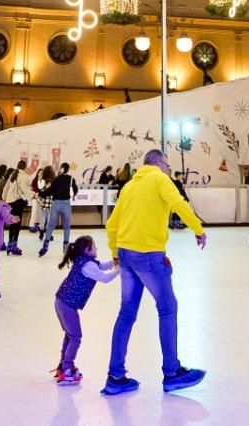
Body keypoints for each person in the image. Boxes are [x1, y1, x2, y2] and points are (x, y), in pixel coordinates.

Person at [100, 148, 207, 397]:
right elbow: (178, 202)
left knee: (126, 313)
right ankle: (172, 372)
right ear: (158, 163)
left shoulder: (129, 186)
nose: (169, 170)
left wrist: (115, 252)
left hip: (126, 254)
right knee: (168, 308)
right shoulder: (159, 178)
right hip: (148, 254)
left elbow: (112, 224)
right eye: (167, 165)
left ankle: (115, 376)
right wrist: (198, 229)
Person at [52, 235, 120, 385]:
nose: (97, 248)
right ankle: (67, 368)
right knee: (76, 336)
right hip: (67, 304)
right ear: (87, 250)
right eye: (94, 246)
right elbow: (105, 278)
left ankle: (63, 366)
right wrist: (120, 269)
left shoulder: (86, 261)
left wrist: (114, 262)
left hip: (62, 301)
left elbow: (102, 266)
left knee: (70, 335)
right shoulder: (87, 266)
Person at [41, 162, 77, 257]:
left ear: (61, 169)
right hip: (66, 204)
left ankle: (46, 244)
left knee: (51, 225)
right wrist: (73, 194)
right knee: (66, 227)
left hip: (56, 204)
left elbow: (50, 191)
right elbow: (75, 189)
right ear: (68, 169)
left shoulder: (56, 179)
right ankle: (65, 246)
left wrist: (41, 194)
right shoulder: (71, 179)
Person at [3, 160, 33, 254]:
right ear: (24, 167)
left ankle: (9, 244)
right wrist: (33, 195)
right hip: (18, 202)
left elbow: (6, 188)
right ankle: (14, 245)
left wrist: (4, 198)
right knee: (17, 224)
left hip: (10, 202)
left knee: (12, 223)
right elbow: (25, 189)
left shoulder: (13, 174)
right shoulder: (24, 176)